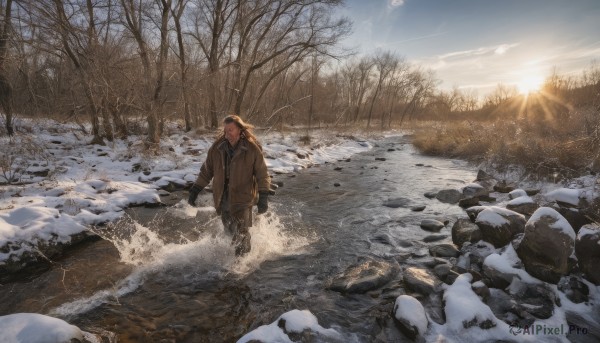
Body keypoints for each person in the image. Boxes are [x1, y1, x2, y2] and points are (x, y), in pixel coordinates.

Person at [188, 114, 270, 256]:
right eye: (225, 131)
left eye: (230, 130)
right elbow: (206, 171)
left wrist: (263, 196)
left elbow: (262, 174)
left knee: (241, 232)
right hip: (222, 197)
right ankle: (238, 257)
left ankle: (243, 265)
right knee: (230, 231)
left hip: (243, 198)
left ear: (239, 129)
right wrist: (195, 190)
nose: (227, 134)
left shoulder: (251, 149)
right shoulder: (217, 148)